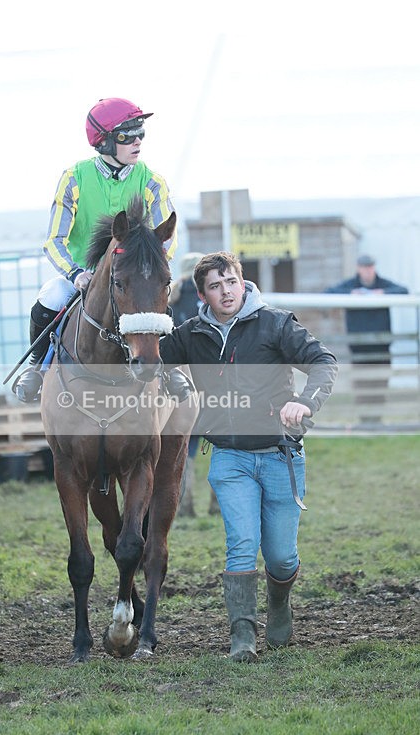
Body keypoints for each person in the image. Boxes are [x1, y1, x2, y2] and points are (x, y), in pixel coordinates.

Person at [160, 251, 337, 662]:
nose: (226, 292)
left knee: (280, 556)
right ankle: (242, 635)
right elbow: (145, 357)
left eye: (231, 282)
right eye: (216, 286)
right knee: (241, 544)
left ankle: (279, 605)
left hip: (280, 456)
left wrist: (306, 403)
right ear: (202, 294)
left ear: (243, 282)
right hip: (229, 458)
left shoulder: (276, 323)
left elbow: (323, 363)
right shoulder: (190, 334)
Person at [14, 97, 177, 402]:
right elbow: (55, 240)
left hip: (134, 275)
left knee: (161, 301)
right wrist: (75, 273)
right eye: (127, 135)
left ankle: (173, 370)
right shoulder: (74, 178)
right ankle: (37, 367)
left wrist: (149, 271)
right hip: (84, 275)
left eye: (141, 132)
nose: (138, 141)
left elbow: (166, 238)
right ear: (104, 142)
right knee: (49, 297)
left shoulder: (153, 182)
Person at [325, 254, 408, 419]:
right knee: (362, 385)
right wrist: (351, 294)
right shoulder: (351, 285)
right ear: (358, 268)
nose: (368, 271)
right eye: (364, 267)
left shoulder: (382, 284)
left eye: (370, 267)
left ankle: (378, 420)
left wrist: (381, 293)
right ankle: (364, 421)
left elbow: (403, 290)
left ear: (374, 268)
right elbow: (328, 292)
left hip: (382, 347)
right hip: (359, 348)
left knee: (381, 384)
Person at [169, 252, 219, 517]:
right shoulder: (211, 298)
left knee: (184, 446)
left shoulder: (171, 299)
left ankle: (184, 504)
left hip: (181, 383)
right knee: (221, 443)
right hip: (211, 381)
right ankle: (217, 504)